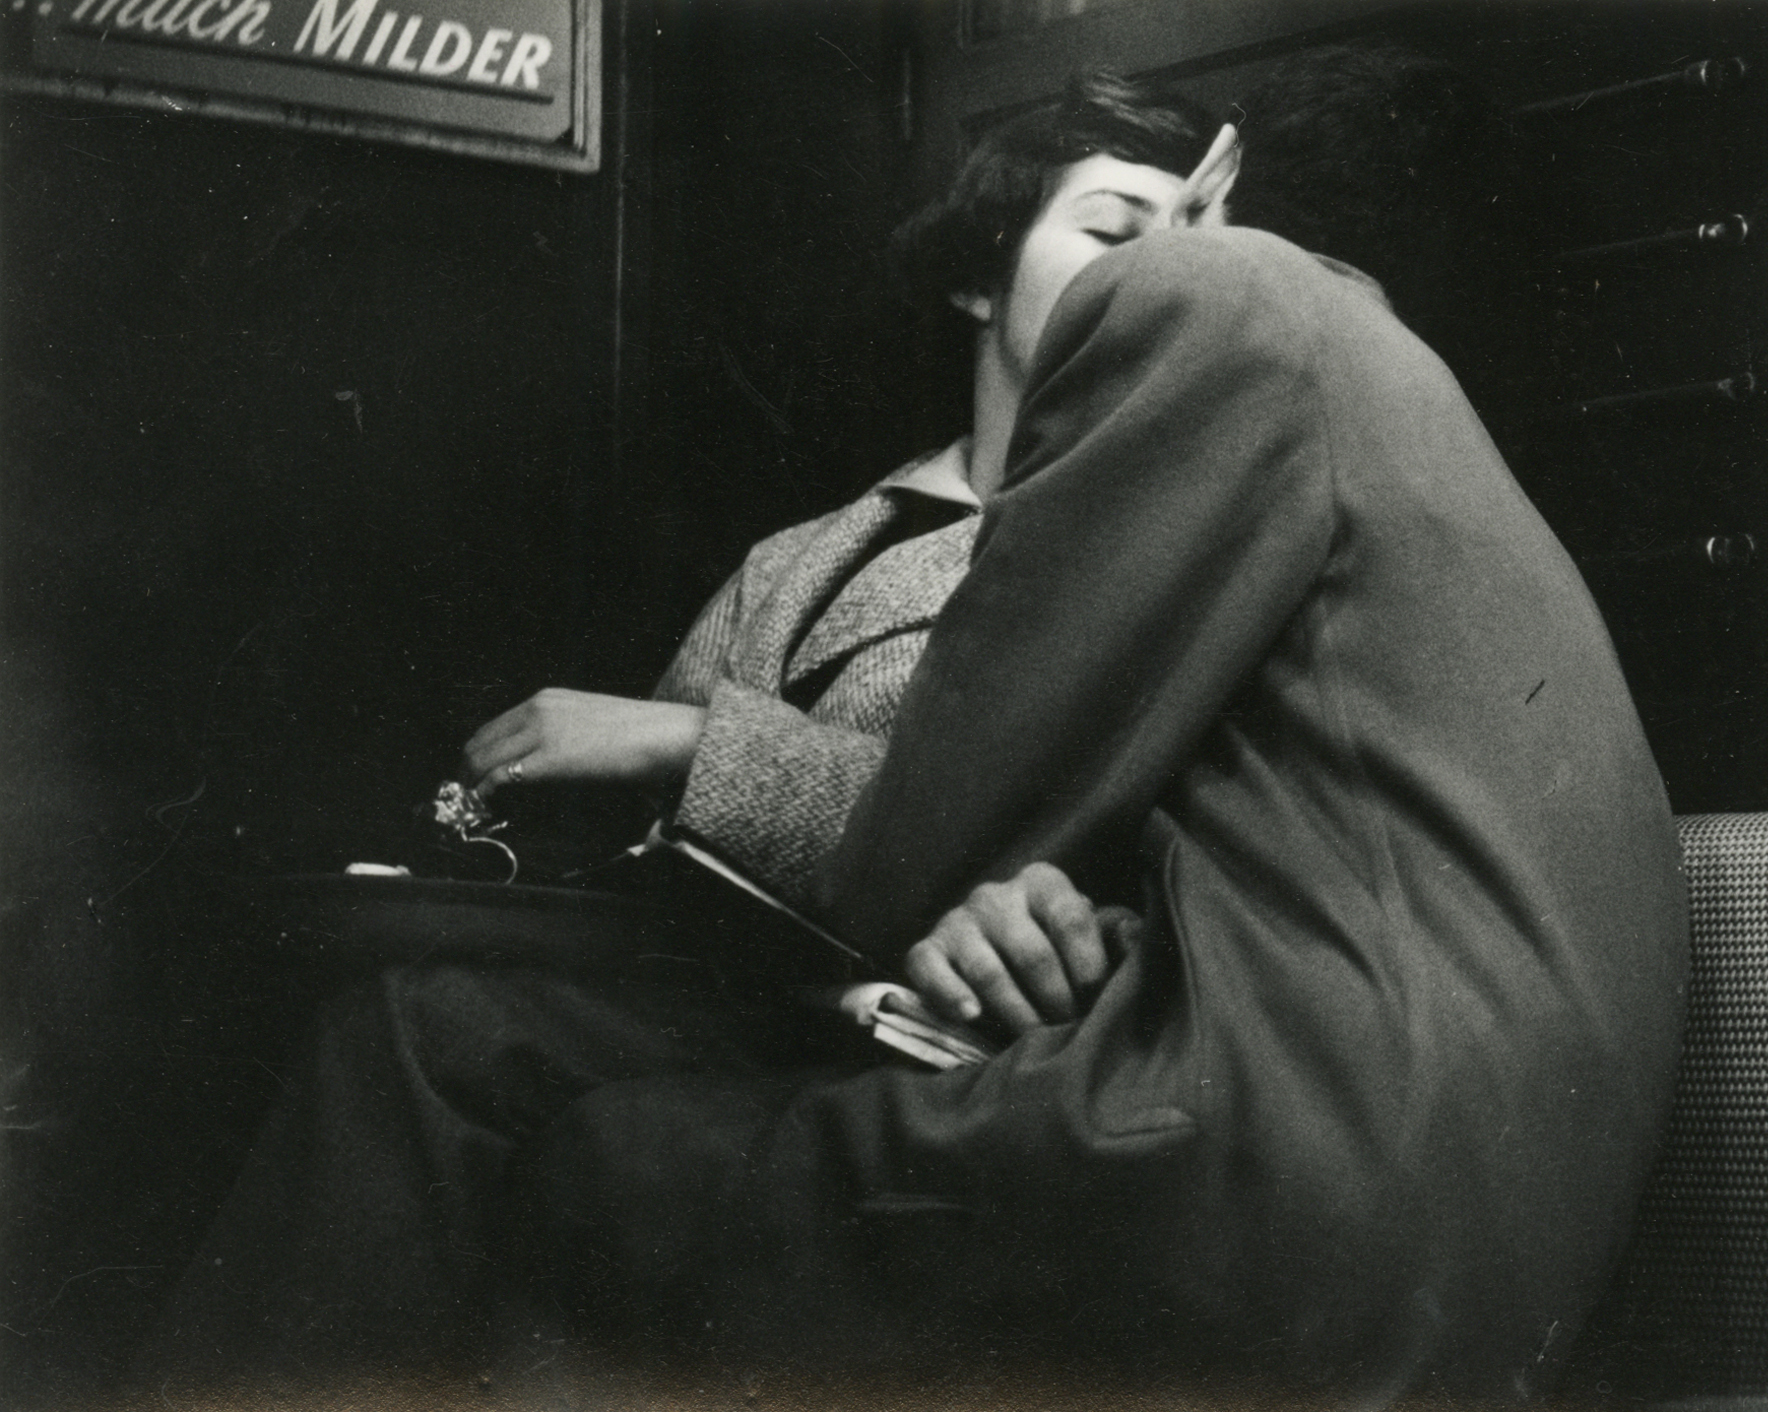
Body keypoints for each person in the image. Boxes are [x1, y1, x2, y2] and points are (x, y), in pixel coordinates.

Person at [521, 45, 1690, 1404]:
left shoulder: (1212, 291)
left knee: (602, 1168)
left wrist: (714, 761)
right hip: (1483, 1225)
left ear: (1224, 178)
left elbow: (934, 841)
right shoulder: (1392, 380)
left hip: (1304, 1179)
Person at [131, 75, 1213, 1396]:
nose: (1159, 276)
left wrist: (675, 745)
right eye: (1113, 232)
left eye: (1190, 240)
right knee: (389, 1013)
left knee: (420, 1041)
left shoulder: (1162, 554)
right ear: (980, 280)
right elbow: (647, 849)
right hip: (729, 1010)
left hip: (940, 1056)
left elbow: (996, 828)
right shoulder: (805, 557)